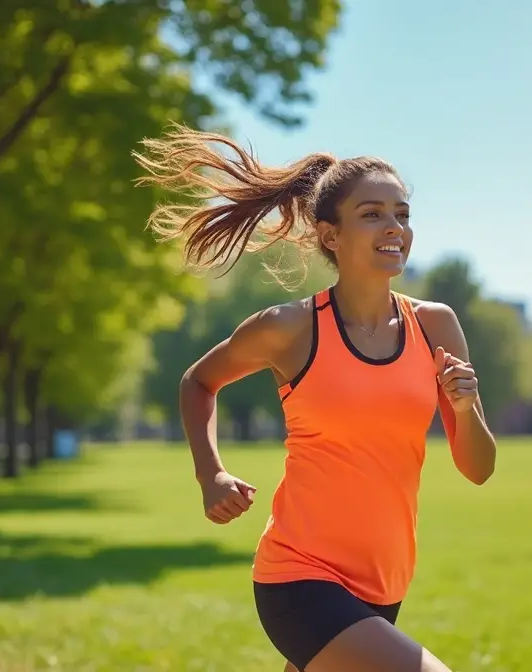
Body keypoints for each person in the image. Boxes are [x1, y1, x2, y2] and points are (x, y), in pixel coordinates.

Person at [133, 124, 498, 672]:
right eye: (372, 213)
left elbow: (479, 468)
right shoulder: (291, 328)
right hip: (299, 577)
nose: (394, 226)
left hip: (384, 585)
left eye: (402, 213)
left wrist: (466, 409)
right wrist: (210, 474)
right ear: (330, 235)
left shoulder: (434, 325)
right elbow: (198, 381)